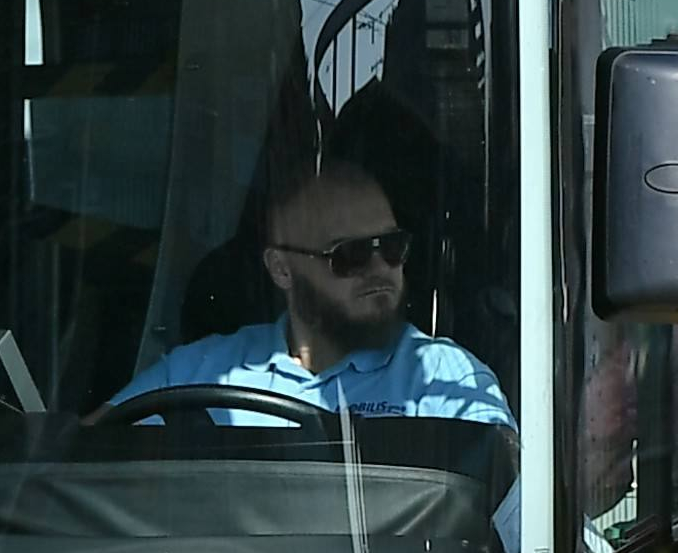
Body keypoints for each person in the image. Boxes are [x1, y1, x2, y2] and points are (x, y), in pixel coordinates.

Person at [117, 157, 509, 426]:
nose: (380, 269)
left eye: (392, 247)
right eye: (350, 255)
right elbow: (83, 465)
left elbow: (504, 532)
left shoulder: (446, 383)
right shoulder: (197, 376)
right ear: (282, 269)